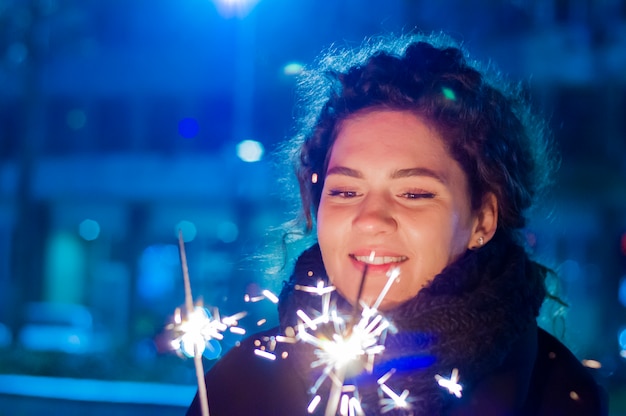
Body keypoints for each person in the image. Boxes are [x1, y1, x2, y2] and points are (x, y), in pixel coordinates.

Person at [186, 33, 607, 415]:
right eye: (346, 192)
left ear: (484, 219)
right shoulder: (240, 386)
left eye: (415, 194)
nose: (370, 219)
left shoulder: (558, 395)